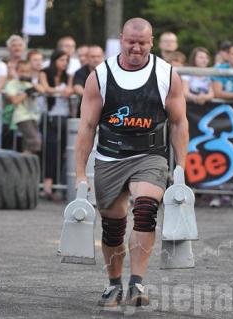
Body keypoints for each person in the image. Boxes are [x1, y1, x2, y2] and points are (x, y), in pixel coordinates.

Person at [75, 17, 188, 307]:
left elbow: (178, 123)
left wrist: (181, 169)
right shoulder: (100, 76)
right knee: (113, 227)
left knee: (146, 210)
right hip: (110, 156)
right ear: (121, 40)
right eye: (130, 42)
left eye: (142, 42)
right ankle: (114, 284)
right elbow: (87, 127)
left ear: (151, 42)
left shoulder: (167, 74)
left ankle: (137, 282)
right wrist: (80, 173)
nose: (136, 48)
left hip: (150, 155)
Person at [39, 50, 73, 200]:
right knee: (51, 149)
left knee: (64, 151)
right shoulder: (45, 72)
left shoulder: (69, 76)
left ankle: (60, 185)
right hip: (51, 117)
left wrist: (67, 91)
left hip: (65, 116)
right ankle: (48, 184)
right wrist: (60, 91)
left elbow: (71, 89)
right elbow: (45, 88)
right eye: (61, 60)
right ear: (54, 60)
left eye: (66, 60)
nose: (64, 63)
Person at [4, 60, 44, 154]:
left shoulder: (30, 83)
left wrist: (34, 84)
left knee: (28, 144)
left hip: (33, 115)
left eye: (27, 72)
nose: (25, 74)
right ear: (17, 71)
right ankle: (25, 161)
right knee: (34, 141)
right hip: (21, 116)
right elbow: (14, 100)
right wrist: (26, 93)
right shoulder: (13, 84)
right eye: (22, 71)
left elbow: (43, 91)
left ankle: (25, 163)